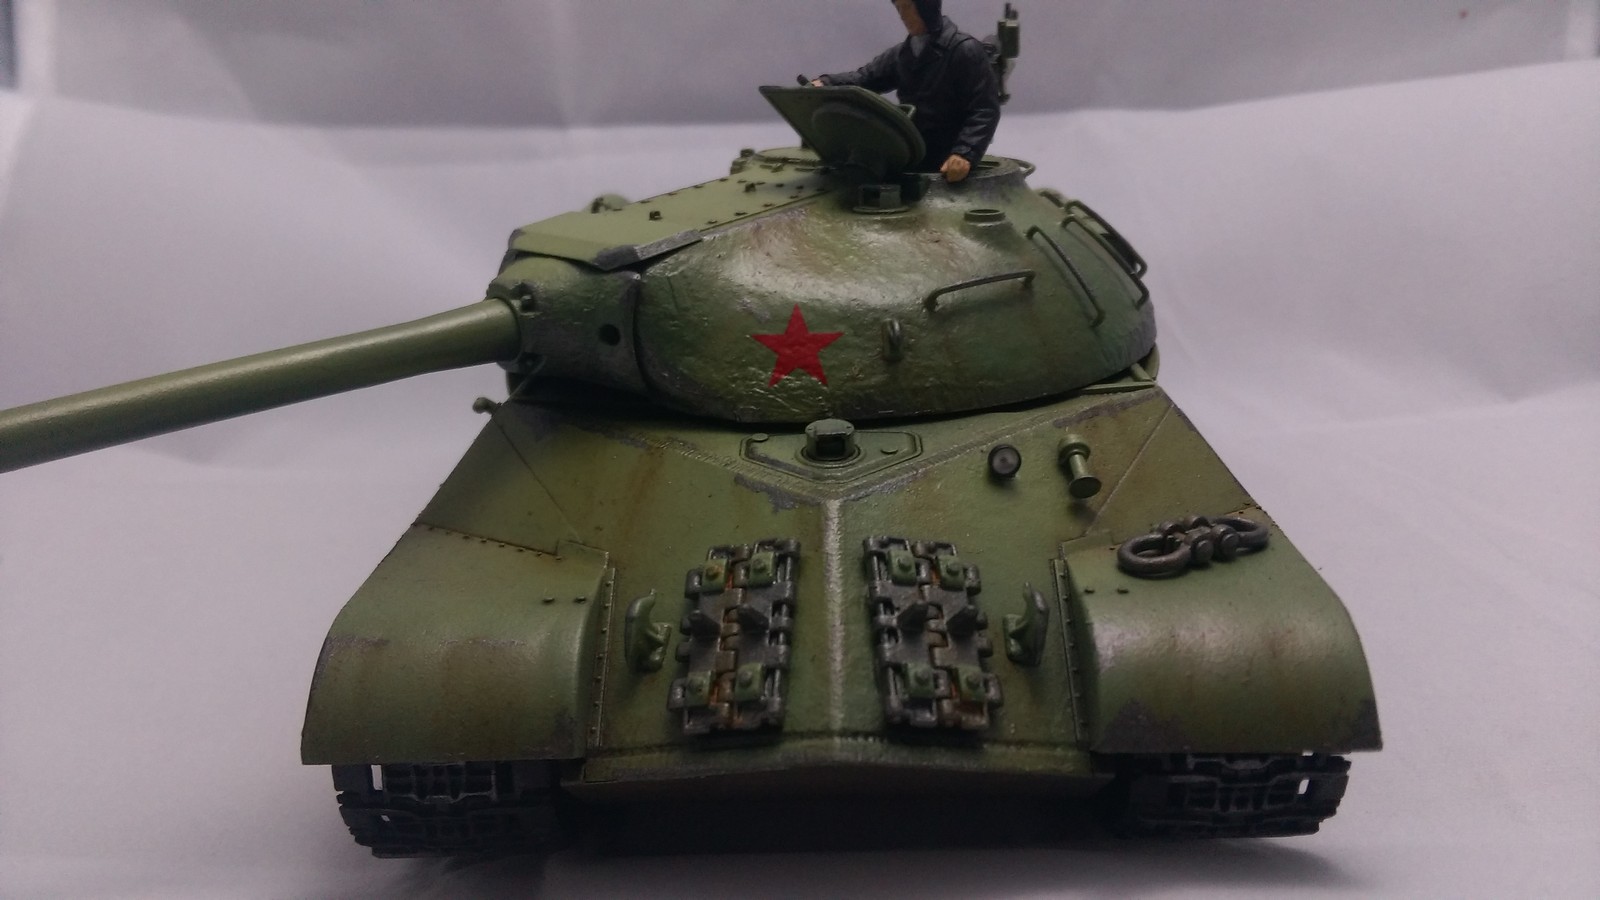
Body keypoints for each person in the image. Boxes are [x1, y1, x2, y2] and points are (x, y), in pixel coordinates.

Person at [813, 0, 1001, 183]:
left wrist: (965, 152)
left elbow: (984, 108)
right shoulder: (903, 53)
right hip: (910, 152)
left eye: (908, 6)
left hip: (946, 158)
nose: (903, 15)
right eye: (899, 8)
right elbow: (865, 78)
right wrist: (828, 82)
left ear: (927, 6)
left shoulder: (964, 50)